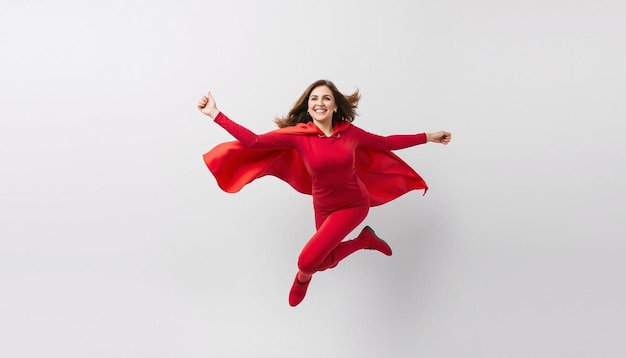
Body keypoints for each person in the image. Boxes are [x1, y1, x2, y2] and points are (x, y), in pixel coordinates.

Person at [198, 79, 451, 307]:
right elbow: (254, 142)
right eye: (314, 99)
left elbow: (386, 143)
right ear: (308, 108)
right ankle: (365, 241)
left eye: (326, 98)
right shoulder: (298, 137)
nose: (320, 103)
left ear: (334, 106)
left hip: (353, 205)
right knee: (324, 260)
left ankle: (301, 279)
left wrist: (428, 137)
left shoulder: (349, 133)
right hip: (323, 207)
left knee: (306, 263)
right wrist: (215, 114)